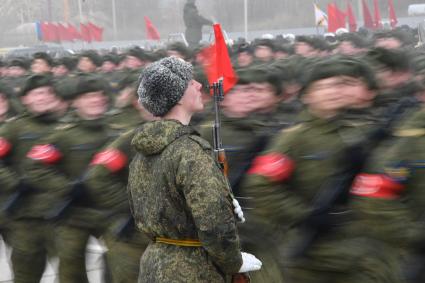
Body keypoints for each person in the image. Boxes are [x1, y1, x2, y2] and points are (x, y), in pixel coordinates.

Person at [128, 56, 262, 282]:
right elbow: (213, 223)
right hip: (194, 271)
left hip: (154, 265)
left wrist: (224, 200)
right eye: (190, 82)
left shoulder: (142, 152)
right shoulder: (190, 151)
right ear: (178, 96)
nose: (199, 85)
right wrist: (234, 261)